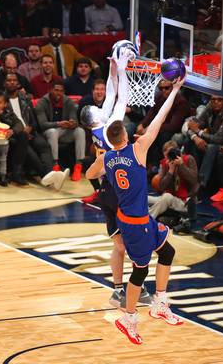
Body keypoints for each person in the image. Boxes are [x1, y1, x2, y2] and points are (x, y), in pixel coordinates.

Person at [85, 75, 187, 345]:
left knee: (167, 250)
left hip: (133, 218)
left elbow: (88, 173)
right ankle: (129, 317)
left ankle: (160, 302)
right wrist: (175, 89)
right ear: (126, 135)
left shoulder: (106, 157)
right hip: (135, 222)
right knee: (140, 270)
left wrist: (104, 165)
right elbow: (160, 119)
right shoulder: (138, 149)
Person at [80, 46, 152, 307]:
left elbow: (111, 93)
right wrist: (123, 68)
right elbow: (120, 100)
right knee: (132, 244)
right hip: (120, 193)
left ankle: (118, 290)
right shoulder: (110, 127)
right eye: (95, 107)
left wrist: (113, 67)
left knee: (119, 245)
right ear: (94, 117)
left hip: (105, 193)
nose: (99, 106)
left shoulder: (99, 128)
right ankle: (138, 289)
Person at [35, 79, 86, 180]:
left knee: (80, 131)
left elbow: (75, 120)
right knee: (53, 132)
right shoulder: (42, 103)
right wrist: (58, 124)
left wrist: (73, 123)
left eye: (61, 91)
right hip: (48, 132)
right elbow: (42, 125)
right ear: (50, 90)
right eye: (56, 90)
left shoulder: (68, 102)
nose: (58, 93)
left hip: (65, 131)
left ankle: (78, 166)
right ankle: (55, 165)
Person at [149, 140, 198, 223]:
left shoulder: (188, 159)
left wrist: (181, 165)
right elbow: (161, 187)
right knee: (144, 197)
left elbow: (194, 181)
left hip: (184, 203)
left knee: (166, 197)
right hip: (169, 200)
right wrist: (170, 172)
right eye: (167, 155)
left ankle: (146, 220)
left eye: (171, 154)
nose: (169, 157)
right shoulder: (165, 163)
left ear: (177, 152)